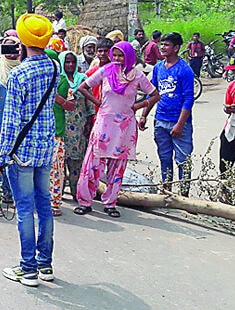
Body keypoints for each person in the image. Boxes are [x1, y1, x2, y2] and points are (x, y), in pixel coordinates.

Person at [0, 14, 58, 287]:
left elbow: (11, 123)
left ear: (21, 43)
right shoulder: (54, 68)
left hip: (22, 153)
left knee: (25, 209)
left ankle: (28, 268)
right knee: (45, 206)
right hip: (45, 148)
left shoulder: (18, 74)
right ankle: (46, 264)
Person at [76, 41, 160, 218]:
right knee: (93, 164)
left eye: (120, 55)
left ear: (129, 56)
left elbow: (154, 95)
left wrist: (138, 106)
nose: (116, 59)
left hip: (125, 127)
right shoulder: (105, 71)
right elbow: (83, 87)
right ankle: (85, 201)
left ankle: (110, 203)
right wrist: (98, 103)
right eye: (115, 55)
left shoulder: (136, 75)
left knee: (118, 167)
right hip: (104, 124)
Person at [141, 32, 195, 184]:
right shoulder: (158, 68)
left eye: (167, 45)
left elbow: (188, 99)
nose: (163, 47)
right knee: (164, 158)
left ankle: (184, 196)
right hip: (160, 121)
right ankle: (167, 189)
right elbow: (152, 93)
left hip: (179, 122)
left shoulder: (184, 70)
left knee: (183, 161)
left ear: (176, 48)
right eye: (162, 44)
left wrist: (180, 124)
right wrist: (144, 115)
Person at [59, 51, 94, 199]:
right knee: (59, 164)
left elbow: (90, 105)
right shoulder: (57, 81)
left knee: (77, 163)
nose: (70, 65)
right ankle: (57, 194)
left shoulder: (83, 80)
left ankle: (76, 193)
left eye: (73, 62)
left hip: (79, 128)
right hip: (61, 127)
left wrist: (90, 124)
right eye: (67, 62)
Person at [46, 49, 75, 217]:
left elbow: (71, 105)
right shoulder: (35, 79)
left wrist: (58, 98)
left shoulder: (63, 81)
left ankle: (54, 202)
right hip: (38, 131)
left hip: (56, 131)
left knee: (55, 169)